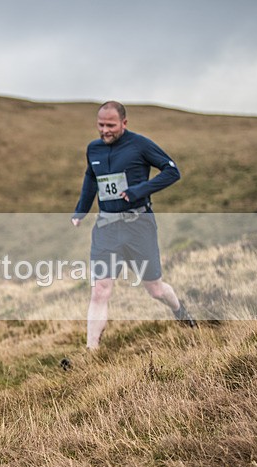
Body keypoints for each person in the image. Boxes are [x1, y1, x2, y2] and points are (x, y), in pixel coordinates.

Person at [71, 101, 196, 351]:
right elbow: (90, 178)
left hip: (139, 225)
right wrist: (81, 210)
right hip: (106, 228)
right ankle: (91, 351)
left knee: (155, 289)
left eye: (111, 125)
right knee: (100, 291)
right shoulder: (93, 149)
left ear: (124, 123)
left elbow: (172, 171)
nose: (105, 130)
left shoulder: (140, 145)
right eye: (101, 125)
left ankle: (180, 311)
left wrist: (139, 190)